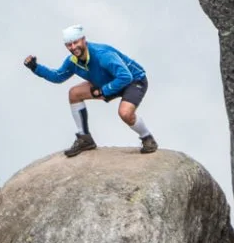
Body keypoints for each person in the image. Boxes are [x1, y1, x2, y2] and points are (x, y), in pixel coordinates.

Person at [23, 25, 157, 157]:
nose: (73, 47)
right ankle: (85, 138)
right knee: (74, 94)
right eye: (69, 45)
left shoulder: (102, 55)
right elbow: (57, 77)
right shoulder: (72, 61)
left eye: (76, 42)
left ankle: (147, 138)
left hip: (133, 80)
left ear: (84, 40)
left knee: (125, 113)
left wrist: (103, 91)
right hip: (107, 81)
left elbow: (125, 76)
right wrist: (35, 67)